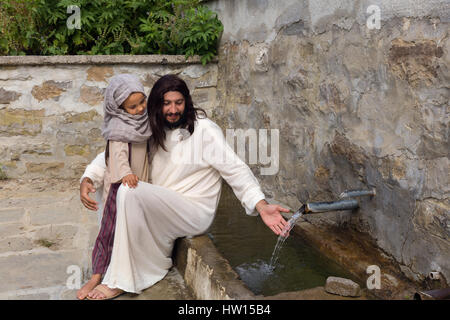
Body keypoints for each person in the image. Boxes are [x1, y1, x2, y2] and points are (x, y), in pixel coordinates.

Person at [79, 74, 290, 300]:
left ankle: (119, 281)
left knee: (130, 190)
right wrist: (89, 178)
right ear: (157, 105)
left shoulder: (204, 130)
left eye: (178, 103)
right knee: (121, 187)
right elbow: (113, 154)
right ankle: (144, 264)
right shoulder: (151, 126)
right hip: (161, 204)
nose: (172, 110)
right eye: (166, 103)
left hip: (193, 211)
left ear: (186, 102)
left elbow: (235, 169)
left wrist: (261, 205)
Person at [77, 74, 152, 300]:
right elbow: (118, 155)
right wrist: (126, 173)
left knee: (130, 233)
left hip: (138, 188)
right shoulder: (118, 126)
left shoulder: (144, 122)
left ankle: (120, 273)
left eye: (142, 102)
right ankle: (97, 274)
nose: (139, 109)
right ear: (118, 107)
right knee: (109, 231)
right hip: (120, 188)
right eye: (132, 106)